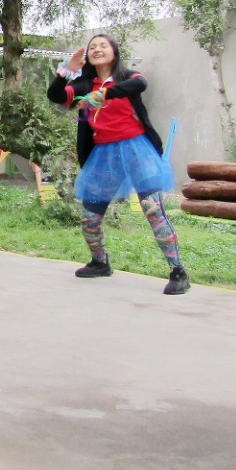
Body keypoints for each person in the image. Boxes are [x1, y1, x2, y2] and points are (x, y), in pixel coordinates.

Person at [46, 35, 190, 295]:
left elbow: (140, 85)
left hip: (137, 150)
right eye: (92, 47)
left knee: (153, 209)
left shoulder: (128, 78)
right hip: (102, 155)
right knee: (90, 220)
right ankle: (100, 262)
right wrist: (66, 71)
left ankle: (178, 271)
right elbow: (56, 96)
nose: (97, 49)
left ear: (114, 51)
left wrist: (104, 93)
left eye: (103, 45)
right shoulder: (83, 84)